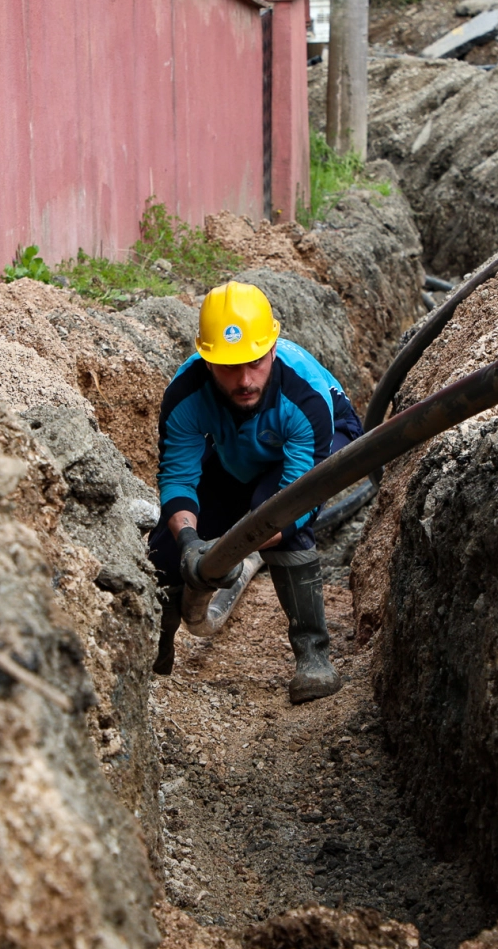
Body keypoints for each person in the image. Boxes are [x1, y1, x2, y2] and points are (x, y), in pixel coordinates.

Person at [149, 281, 362, 704]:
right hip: (240, 445)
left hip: (321, 444)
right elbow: (178, 478)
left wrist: (229, 550)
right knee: (166, 546)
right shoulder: (186, 395)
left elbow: (293, 502)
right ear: (206, 361)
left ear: (273, 349)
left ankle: (313, 655)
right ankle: (153, 648)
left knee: (280, 515)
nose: (245, 379)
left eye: (255, 362)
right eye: (229, 367)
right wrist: (192, 543)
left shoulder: (305, 397)